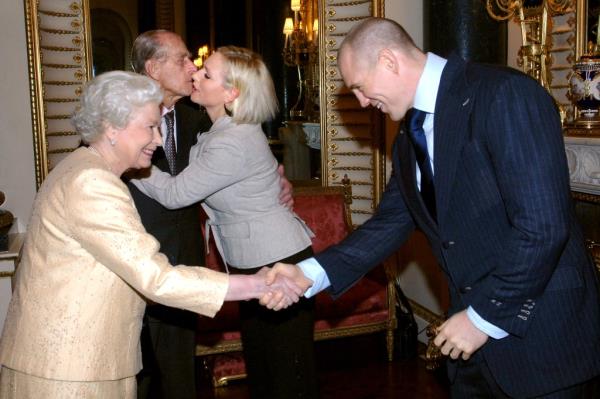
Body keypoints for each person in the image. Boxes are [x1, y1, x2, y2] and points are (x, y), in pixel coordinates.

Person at [268, 17, 600, 398]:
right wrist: (309, 274)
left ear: (389, 61)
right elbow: (391, 223)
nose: (360, 101)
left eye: (359, 87)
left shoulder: (504, 94)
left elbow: (544, 226)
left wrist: (483, 318)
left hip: (542, 337)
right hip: (471, 345)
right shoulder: (409, 138)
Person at [0, 71, 305, 399]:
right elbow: (156, 278)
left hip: (75, 362)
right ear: (112, 127)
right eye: (150, 127)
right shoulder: (91, 183)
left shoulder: (82, 167)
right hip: (69, 371)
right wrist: (258, 284)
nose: (159, 140)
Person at [132, 46, 319, 399]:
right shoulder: (217, 128)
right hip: (252, 264)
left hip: (278, 261)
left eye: (207, 74)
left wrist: (128, 161)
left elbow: (175, 194)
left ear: (232, 93)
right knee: (265, 371)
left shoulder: (234, 139)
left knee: (288, 375)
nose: (195, 75)